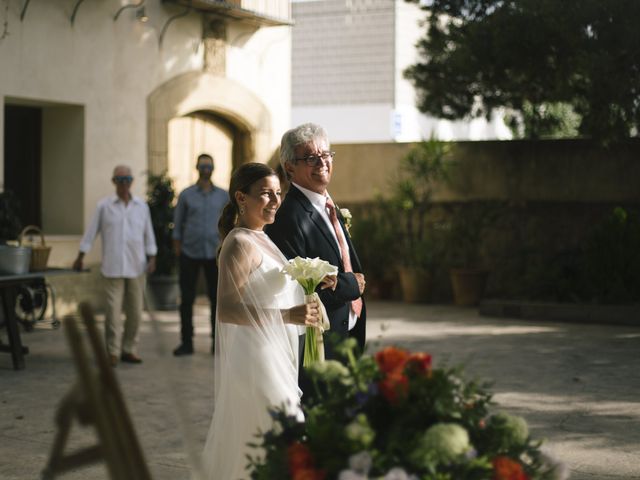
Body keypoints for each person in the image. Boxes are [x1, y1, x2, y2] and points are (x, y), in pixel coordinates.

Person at [201, 162, 335, 480]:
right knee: (279, 431)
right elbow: (228, 309)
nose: (275, 201)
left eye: (277, 193)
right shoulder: (238, 243)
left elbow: (271, 290)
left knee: (273, 433)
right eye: (265, 194)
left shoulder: (263, 238)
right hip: (255, 356)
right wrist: (289, 315)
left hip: (277, 351)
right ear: (241, 197)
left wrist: (312, 285)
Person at [266, 123, 366, 363]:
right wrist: (349, 285)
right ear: (289, 167)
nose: (322, 163)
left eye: (325, 155)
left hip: (349, 330)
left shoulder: (328, 204)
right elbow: (297, 288)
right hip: (319, 342)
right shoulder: (288, 217)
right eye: (311, 158)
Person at [73, 165, 157, 367]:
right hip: (113, 266)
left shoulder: (141, 206)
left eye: (127, 179)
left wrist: (152, 257)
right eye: (120, 180)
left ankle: (129, 349)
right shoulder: (104, 206)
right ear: (114, 182)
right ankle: (112, 351)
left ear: (132, 182)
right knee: (112, 312)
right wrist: (80, 256)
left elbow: (148, 234)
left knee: (136, 311)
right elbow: (91, 232)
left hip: (137, 266)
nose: (124, 183)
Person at [172, 153, 229, 356]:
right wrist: (178, 250)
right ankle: (186, 342)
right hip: (190, 252)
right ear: (197, 167)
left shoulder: (224, 195)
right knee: (187, 299)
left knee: (217, 300)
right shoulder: (186, 195)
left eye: (209, 166)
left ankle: (217, 344)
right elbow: (177, 225)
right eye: (202, 166)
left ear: (213, 169)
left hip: (215, 254)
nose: (206, 169)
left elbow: (230, 225)